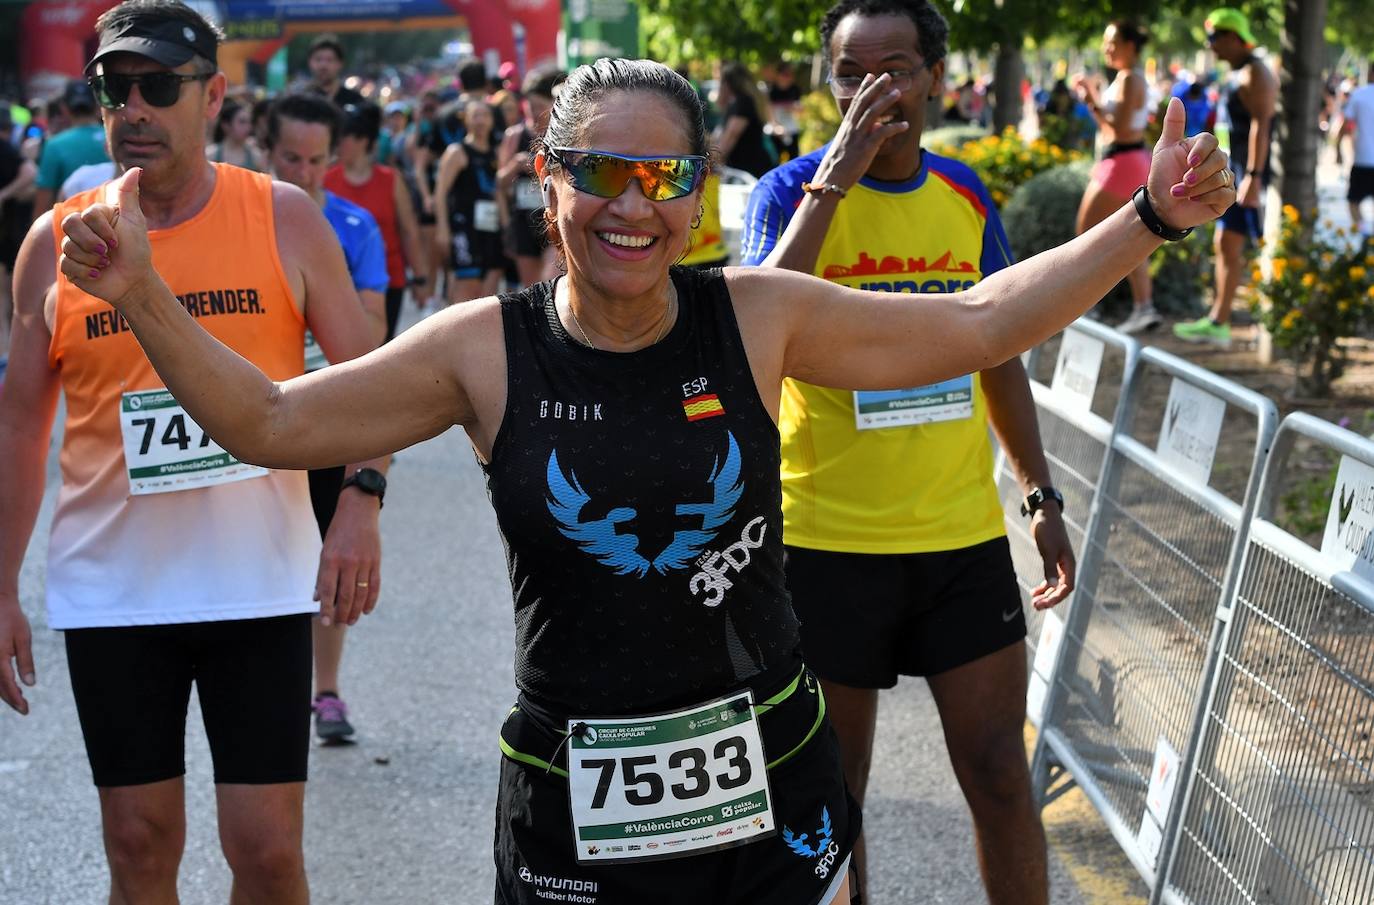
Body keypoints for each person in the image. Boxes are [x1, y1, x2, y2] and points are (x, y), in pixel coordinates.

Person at [49, 53, 1232, 905]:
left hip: (769, 767)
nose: (633, 207)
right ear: (549, 177)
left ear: (697, 193)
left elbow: (979, 321)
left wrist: (1151, 217)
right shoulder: (481, 348)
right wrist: (144, 294)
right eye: (601, 173)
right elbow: (266, 418)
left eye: (666, 181)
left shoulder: (756, 316)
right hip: (575, 795)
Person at [0, 4, 387, 901]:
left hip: (256, 582)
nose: (133, 107)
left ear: (213, 95)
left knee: (266, 850)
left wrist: (359, 503)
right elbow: (21, 422)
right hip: (113, 592)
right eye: (113, 87)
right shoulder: (55, 243)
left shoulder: (283, 219)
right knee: (137, 844)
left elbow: (369, 384)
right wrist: (2, 584)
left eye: (158, 86)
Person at [741, 2, 1077, 900]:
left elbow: (997, 348)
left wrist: (1039, 497)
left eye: (896, 67)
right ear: (829, 84)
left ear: (934, 75)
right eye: (852, 71)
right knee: (832, 801)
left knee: (1002, 777)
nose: (874, 89)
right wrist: (836, 182)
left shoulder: (964, 194)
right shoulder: (786, 192)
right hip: (825, 543)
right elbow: (757, 322)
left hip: (958, 542)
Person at [266, 92, 391, 742]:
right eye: (291, 157)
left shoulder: (354, 226)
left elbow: (370, 331)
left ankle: (327, 691)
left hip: (331, 415)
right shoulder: (241, 223)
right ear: (266, 152)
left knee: (329, 561)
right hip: (259, 422)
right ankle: (268, 689)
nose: (304, 172)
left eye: (317, 159)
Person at [1174, 7, 1276, 349]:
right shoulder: (1240, 71)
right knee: (1225, 245)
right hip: (1239, 172)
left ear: (1235, 37)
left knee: (1258, 248)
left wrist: (1255, 176)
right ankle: (1219, 321)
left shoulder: (1256, 73)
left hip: (1253, 176)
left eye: (1215, 38)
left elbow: (1263, 125)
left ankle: (1258, 323)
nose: (1211, 46)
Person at [1073, 21, 1158, 334]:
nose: (1107, 49)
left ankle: (1087, 308)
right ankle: (1143, 307)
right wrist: (1092, 99)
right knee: (1127, 239)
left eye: (1112, 43)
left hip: (1122, 160)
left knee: (1085, 233)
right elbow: (1112, 126)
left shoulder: (1128, 80)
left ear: (1130, 47)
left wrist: (1092, 97)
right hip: (1126, 159)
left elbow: (1118, 129)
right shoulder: (1129, 79)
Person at [326, 101, 427, 341]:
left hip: (389, 278)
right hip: (338, 282)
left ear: (363, 140)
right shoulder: (326, 180)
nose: (337, 143)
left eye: (343, 137)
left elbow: (408, 231)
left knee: (381, 350)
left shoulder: (390, 180)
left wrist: (421, 278)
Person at [497, 68, 563, 287]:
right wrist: (515, 166)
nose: (534, 112)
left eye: (539, 106)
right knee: (532, 289)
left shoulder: (562, 138)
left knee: (550, 279)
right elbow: (499, 182)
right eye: (530, 106)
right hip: (523, 220)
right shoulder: (514, 136)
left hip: (553, 217)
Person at [435, 99, 505, 304]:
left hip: (490, 226)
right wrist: (442, 229)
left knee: (489, 287)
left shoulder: (496, 153)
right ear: (466, 119)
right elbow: (440, 192)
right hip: (464, 228)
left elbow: (498, 191)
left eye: (485, 115)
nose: (481, 121)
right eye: (476, 115)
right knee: (466, 286)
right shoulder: (458, 152)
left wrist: (505, 224)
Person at [33, 79, 110, 216]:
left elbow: (42, 205)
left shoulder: (54, 145)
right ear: (97, 105)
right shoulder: (116, 139)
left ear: (64, 108)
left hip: (71, 229)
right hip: (120, 224)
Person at [715, 62, 776, 178]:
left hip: (747, 169)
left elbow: (730, 138)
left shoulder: (743, 103)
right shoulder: (747, 101)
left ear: (727, 83)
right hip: (752, 166)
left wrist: (709, 163)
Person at [1334, 60, 1374, 237]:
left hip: (1363, 159)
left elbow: (1344, 126)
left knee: (1353, 203)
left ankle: (1365, 235)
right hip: (1363, 159)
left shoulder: (1359, 95)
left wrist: (1337, 151)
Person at [306, 33, 365, 109]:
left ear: (340, 64)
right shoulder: (300, 101)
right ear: (309, 62)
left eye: (329, 60)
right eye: (318, 59)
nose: (323, 65)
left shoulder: (355, 101)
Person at [207, 98, 265, 171]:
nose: (248, 127)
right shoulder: (211, 155)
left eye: (249, 122)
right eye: (242, 122)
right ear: (226, 125)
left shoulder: (256, 157)